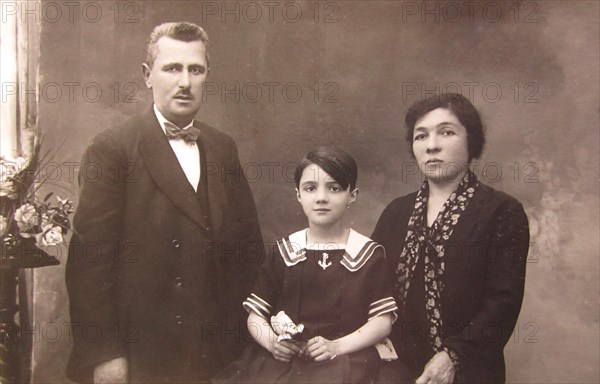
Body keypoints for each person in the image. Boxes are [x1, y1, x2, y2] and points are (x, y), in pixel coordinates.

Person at [65, 22, 263, 384]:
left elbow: (247, 250)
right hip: (145, 350)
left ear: (206, 76)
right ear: (147, 75)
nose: (185, 82)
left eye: (195, 69)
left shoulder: (222, 147)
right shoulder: (112, 149)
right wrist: (106, 353)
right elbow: (89, 264)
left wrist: (253, 335)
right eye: (172, 68)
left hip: (217, 348)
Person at [372, 93, 530, 384]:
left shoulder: (502, 212)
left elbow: (502, 303)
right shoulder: (397, 212)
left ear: (472, 142)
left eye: (446, 132)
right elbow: (370, 288)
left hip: (466, 367)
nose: (432, 145)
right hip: (392, 366)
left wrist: (452, 357)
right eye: (421, 136)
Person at [212, 147, 398, 384]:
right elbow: (255, 316)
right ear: (299, 195)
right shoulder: (284, 251)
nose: (321, 197)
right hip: (289, 361)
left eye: (334, 188)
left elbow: (382, 322)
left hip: (349, 358)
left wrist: (336, 347)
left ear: (352, 195)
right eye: (310, 188)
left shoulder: (368, 254)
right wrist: (272, 342)